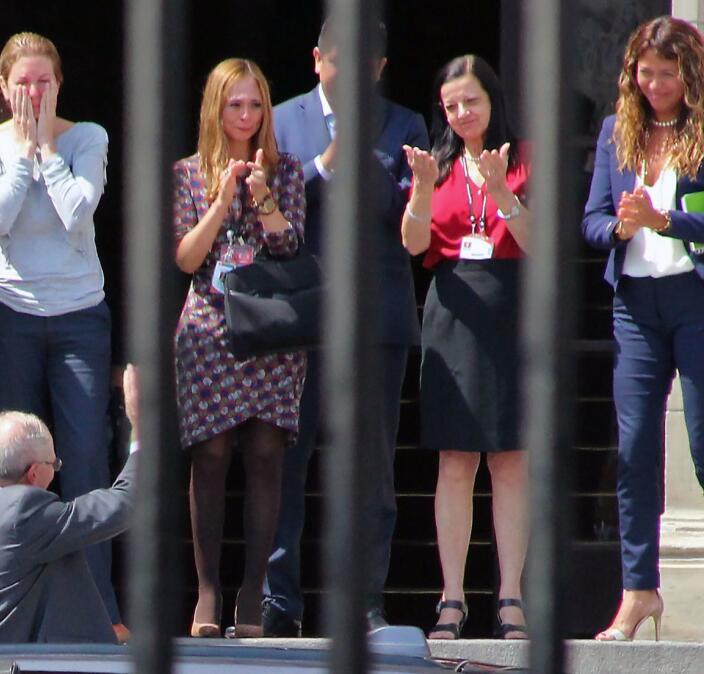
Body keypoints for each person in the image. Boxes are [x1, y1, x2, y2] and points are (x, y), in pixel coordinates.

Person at [263, 19, 429, 636]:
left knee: (371, 469)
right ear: (317, 59)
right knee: (287, 460)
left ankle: (364, 603)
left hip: (376, 319)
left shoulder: (405, 125)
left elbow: (409, 219)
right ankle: (279, 602)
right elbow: (271, 208)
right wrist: (328, 162)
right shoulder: (282, 121)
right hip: (299, 318)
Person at [0, 31, 122, 635]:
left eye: (43, 81)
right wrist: (23, 154)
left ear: (59, 83)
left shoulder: (88, 136)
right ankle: (8, 606)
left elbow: (76, 212)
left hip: (79, 314)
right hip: (8, 309)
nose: (33, 93)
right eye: (22, 83)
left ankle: (102, 614)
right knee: (11, 463)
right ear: (3, 88)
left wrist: (46, 150)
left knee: (85, 456)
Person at [172, 58, 308, 639]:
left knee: (265, 456)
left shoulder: (288, 170)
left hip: (274, 330)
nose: (246, 116)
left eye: (255, 105)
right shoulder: (186, 173)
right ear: (216, 109)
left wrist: (264, 199)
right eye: (235, 105)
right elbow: (185, 257)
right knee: (210, 456)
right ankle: (208, 591)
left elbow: (293, 248)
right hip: (210, 326)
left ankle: (253, 593)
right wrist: (223, 196)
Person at [581, 15, 704, 642]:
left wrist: (667, 220)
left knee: (703, 447)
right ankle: (637, 593)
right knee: (633, 453)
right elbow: (593, 221)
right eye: (645, 72)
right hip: (635, 304)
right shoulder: (614, 133)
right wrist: (623, 228)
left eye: (668, 73)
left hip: (695, 300)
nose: (654, 84)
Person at [401, 55, 531, 640]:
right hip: (451, 308)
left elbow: (537, 240)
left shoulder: (523, 155)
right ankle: (451, 597)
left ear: (492, 100)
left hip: (512, 308)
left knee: (510, 459)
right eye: (451, 105)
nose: (461, 113)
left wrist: (503, 191)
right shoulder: (439, 160)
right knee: (454, 459)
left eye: (471, 102)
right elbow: (413, 243)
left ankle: (511, 597)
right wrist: (423, 191)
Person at [0, 366, 140, 645]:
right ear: (34, 472)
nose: (56, 471)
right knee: (66, 542)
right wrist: (141, 429)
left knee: (60, 547)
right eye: (55, 464)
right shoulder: (22, 509)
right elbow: (123, 505)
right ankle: (92, 644)